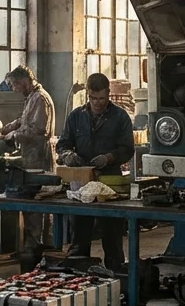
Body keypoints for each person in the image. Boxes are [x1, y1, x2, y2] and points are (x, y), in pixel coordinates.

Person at [57, 73, 135, 270]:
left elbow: (128, 149)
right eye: (93, 98)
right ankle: (79, 278)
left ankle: (116, 276)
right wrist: (67, 155)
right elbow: (63, 144)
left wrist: (109, 158)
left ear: (108, 94)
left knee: (112, 237)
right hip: (82, 185)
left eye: (101, 98)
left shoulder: (120, 117)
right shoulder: (76, 117)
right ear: (87, 95)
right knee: (80, 236)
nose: (97, 103)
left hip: (110, 185)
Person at [2, 65, 55, 250]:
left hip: (39, 159)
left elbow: (38, 129)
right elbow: (27, 121)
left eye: (15, 86)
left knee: (37, 205)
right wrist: (12, 126)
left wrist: (13, 136)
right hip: (31, 158)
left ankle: (39, 248)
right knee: (33, 205)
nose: (15, 90)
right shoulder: (32, 97)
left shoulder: (40, 98)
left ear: (23, 82)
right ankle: (36, 246)